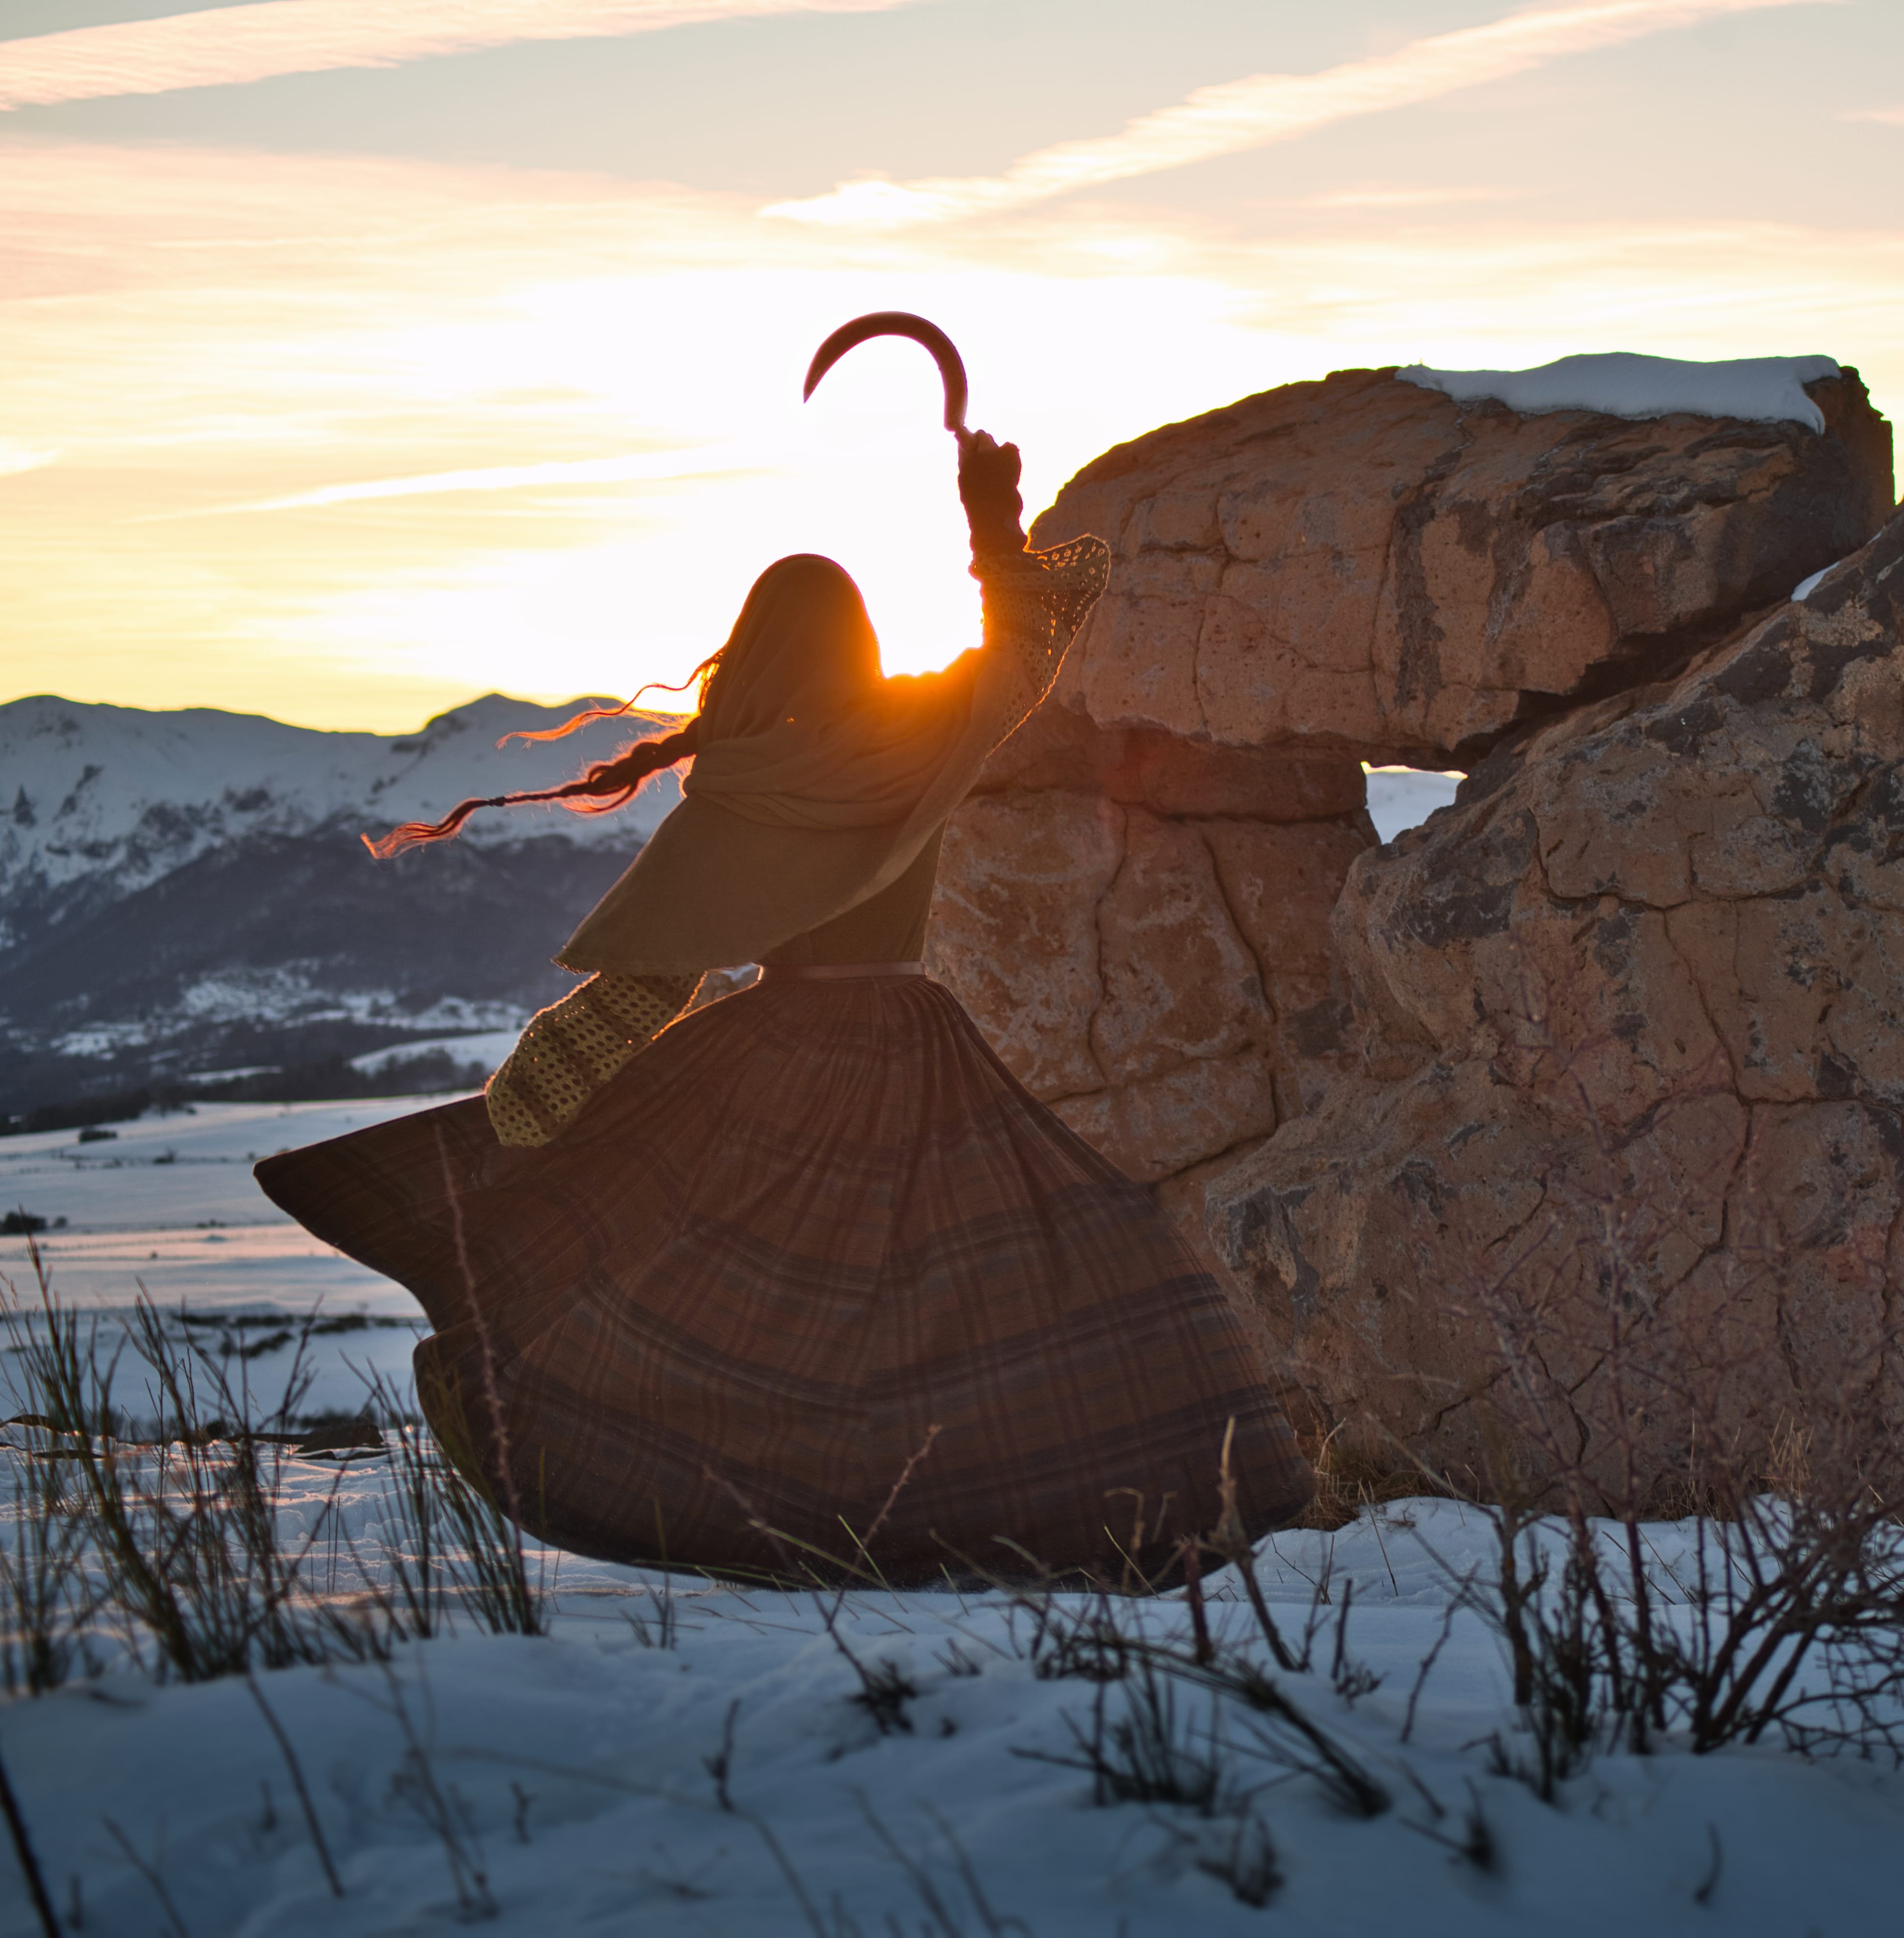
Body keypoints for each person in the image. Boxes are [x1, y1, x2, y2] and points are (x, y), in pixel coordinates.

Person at [257, 427, 1312, 1584]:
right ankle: (1063, 1504)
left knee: (757, 1303)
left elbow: (650, 986)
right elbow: (1027, 642)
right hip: (919, 1044)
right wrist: (989, 515)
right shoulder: (922, 735)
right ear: (859, 645)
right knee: (1022, 1269)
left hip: (773, 1055)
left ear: (750, 654)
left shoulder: (744, 782)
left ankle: (804, 1516)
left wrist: (511, 1117)